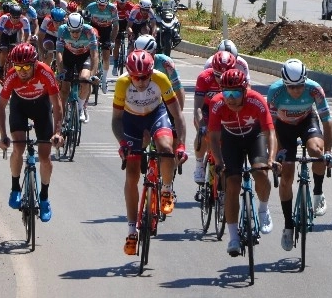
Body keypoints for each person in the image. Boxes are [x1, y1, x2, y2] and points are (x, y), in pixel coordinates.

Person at [112, 50, 186, 256]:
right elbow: (116, 120)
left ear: (152, 72)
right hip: (131, 121)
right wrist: (122, 143)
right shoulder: (122, 84)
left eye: (146, 76)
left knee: (165, 148)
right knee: (132, 174)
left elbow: (178, 116)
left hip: (156, 115)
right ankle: (131, 231)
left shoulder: (160, 79)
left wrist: (182, 145)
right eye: (136, 77)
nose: (142, 81)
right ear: (129, 74)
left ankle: (167, 189)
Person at [267, 59, 332, 251]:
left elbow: (327, 122)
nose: (297, 90)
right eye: (292, 87)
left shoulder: (314, 89)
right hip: (283, 128)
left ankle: (318, 193)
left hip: (307, 122)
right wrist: (276, 154)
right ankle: (288, 225)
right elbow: (270, 127)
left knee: (316, 152)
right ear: (284, 83)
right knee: (286, 176)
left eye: (300, 85)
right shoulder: (275, 92)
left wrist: (328, 152)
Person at [207, 68, 276, 256]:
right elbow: (213, 137)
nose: (230, 98)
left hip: (255, 137)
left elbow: (270, 132)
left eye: (235, 93)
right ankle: (233, 238)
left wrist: (271, 158)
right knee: (232, 184)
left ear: (245, 90)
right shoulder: (216, 103)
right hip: (231, 141)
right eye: (226, 93)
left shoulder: (257, 100)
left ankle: (263, 209)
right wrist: (219, 161)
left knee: (261, 172)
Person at [0, 43, 64, 220]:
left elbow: (57, 105)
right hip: (20, 107)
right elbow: (1, 107)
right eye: (18, 67)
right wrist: (3, 136)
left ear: (35, 63)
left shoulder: (46, 72)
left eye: (26, 66)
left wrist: (58, 132)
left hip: (41, 108)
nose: (22, 71)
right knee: (18, 148)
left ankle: (44, 198)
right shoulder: (12, 76)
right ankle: (15, 188)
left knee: (45, 158)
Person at [192, 50, 237, 183]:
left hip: (225, 110)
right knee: (204, 135)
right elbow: (197, 107)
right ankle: (199, 164)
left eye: (224, 75)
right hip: (206, 109)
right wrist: (202, 126)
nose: (220, 79)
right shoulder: (204, 77)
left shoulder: (237, 78)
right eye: (217, 75)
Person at [55, 12, 99, 123]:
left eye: (78, 31)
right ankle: (61, 121)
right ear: (68, 28)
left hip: (84, 56)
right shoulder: (62, 30)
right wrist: (60, 72)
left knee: (85, 79)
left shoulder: (89, 31)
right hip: (68, 56)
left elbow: (94, 54)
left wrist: (93, 74)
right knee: (64, 90)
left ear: (82, 27)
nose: (75, 34)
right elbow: (59, 53)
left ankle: (81, 108)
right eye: (72, 31)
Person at [84, 0, 119, 76]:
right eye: (99, 5)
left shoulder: (112, 9)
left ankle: (104, 79)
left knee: (106, 56)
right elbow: (85, 23)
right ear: (96, 2)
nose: (102, 7)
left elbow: (115, 26)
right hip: (93, 28)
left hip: (106, 30)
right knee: (91, 53)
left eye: (104, 5)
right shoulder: (90, 7)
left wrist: (112, 40)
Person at [0, 4, 31, 83]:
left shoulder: (24, 20)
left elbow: (27, 35)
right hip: (4, 35)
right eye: (13, 17)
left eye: (17, 17)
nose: (15, 19)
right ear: (10, 15)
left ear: (20, 16)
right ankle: (0, 70)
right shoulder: (4, 18)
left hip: (15, 35)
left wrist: (25, 45)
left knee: (18, 52)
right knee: (4, 52)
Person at [113, 0, 136, 71]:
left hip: (127, 23)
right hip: (117, 23)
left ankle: (130, 48)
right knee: (117, 43)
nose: (121, 5)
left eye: (123, 4)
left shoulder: (131, 7)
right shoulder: (114, 6)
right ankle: (115, 64)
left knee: (131, 33)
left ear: (127, 1)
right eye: (120, 3)